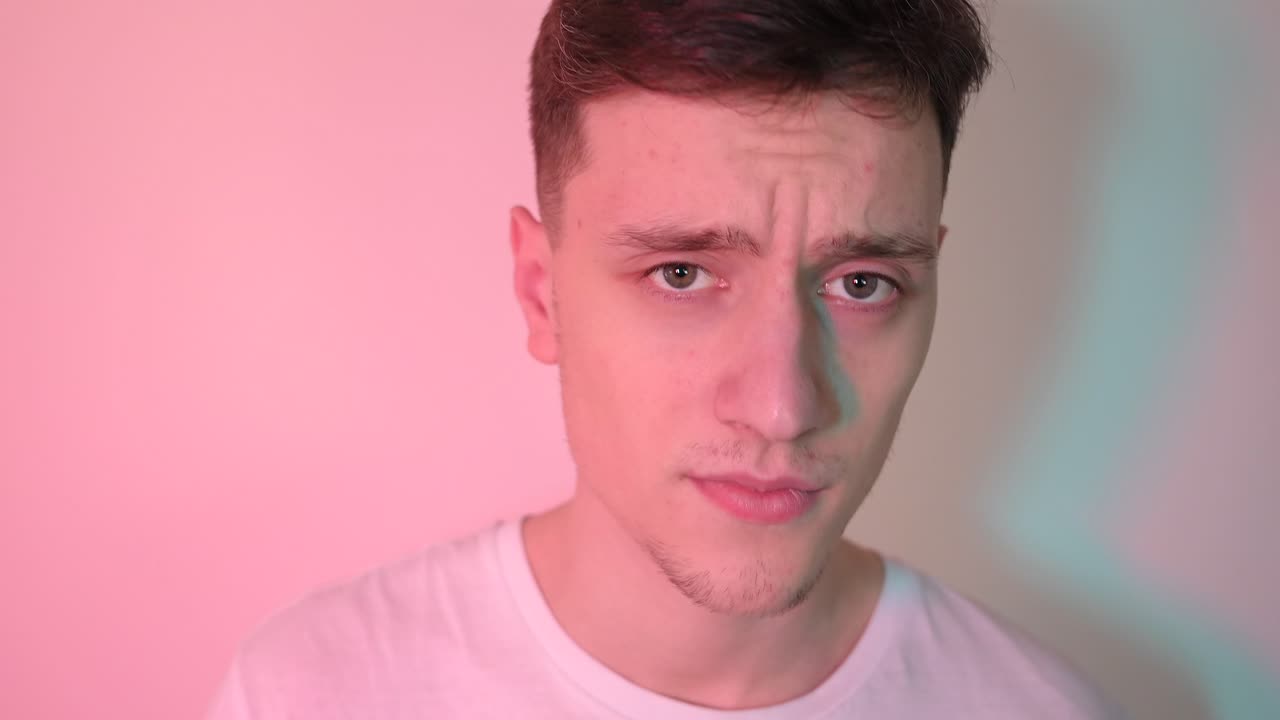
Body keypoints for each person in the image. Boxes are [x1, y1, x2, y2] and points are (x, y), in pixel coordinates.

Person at [208, 1, 1123, 718]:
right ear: (542, 293)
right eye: (681, 273)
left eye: (861, 283)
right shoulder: (314, 695)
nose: (782, 406)